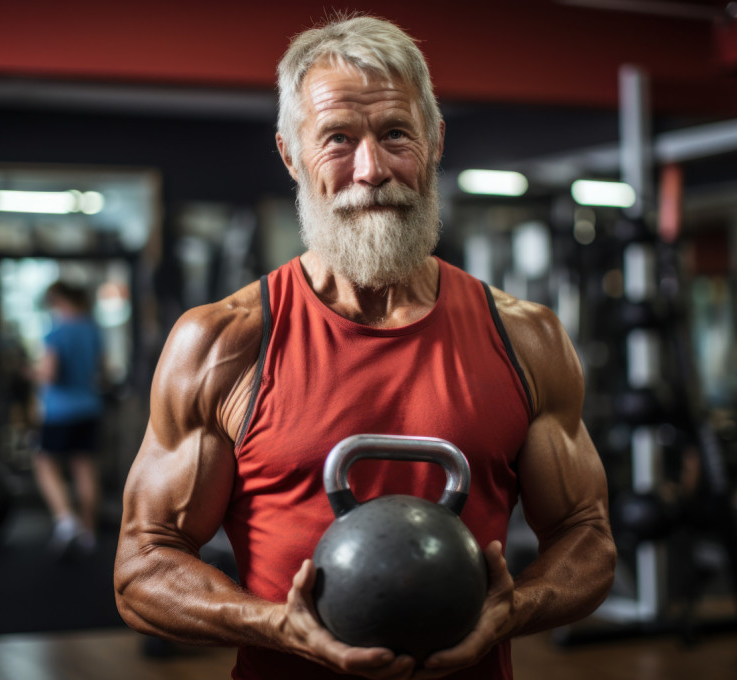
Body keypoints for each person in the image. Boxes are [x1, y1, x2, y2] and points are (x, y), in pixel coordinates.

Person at [114, 15, 616, 680]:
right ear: (292, 154)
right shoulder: (224, 344)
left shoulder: (526, 337)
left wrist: (511, 610)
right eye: (338, 139)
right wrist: (278, 627)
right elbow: (143, 566)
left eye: (396, 134)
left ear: (435, 141)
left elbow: (588, 537)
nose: (371, 168)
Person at [33, 280, 104, 557]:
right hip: (89, 406)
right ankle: (89, 532)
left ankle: (66, 521)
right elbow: (101, 368)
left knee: (44, 462)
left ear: (60, 301)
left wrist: (31, 372)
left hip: (60, 411)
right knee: (84, 465)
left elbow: (50, 373)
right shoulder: (91, 329)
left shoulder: (57, 331)